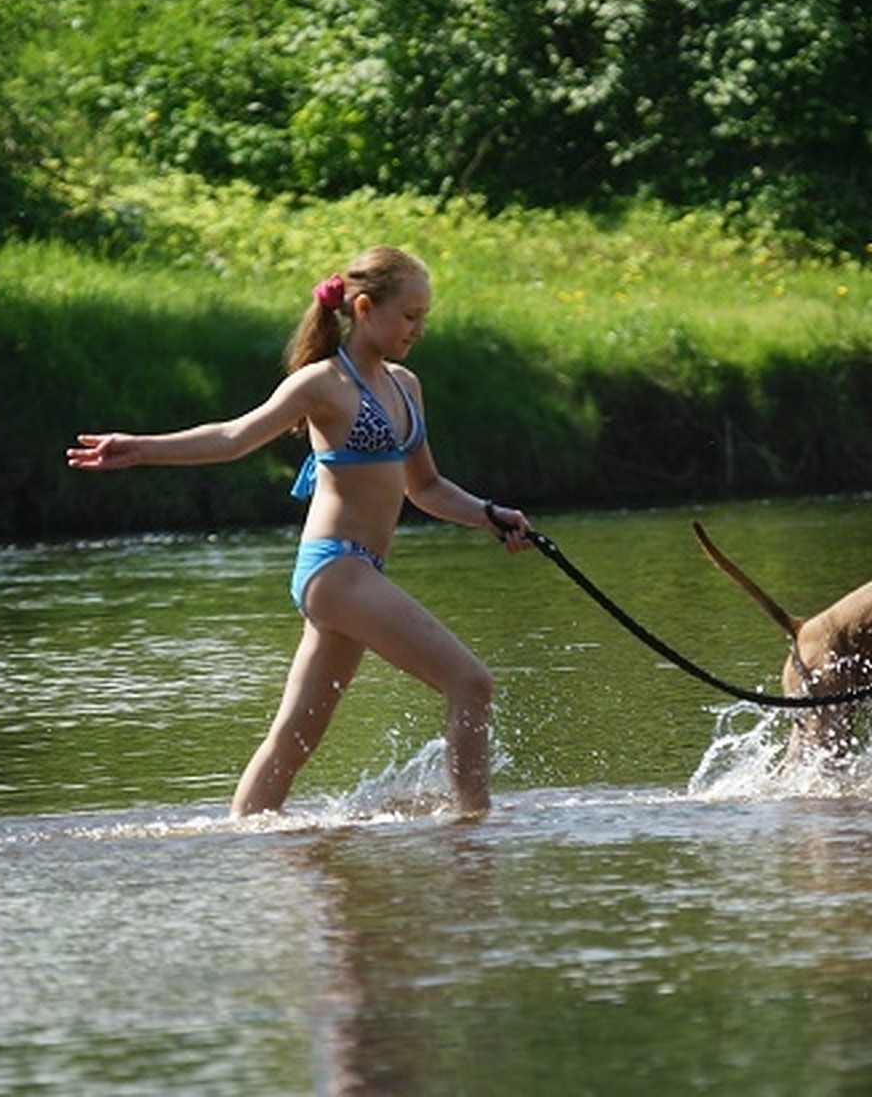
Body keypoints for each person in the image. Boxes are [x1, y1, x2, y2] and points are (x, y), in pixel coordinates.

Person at [66, 246, 532, 818]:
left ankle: (245, 839)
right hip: (336, 570)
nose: (420, 328)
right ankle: (473, 830)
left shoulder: (406, 386)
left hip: (358, 574)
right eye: (410, 315)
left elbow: (427, 488)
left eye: (424, 315)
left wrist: (489, 513)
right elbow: (233, 437)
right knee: (471, 683)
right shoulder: (322, 384)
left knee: (295, 739)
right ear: (364, 308)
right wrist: (139, 449)